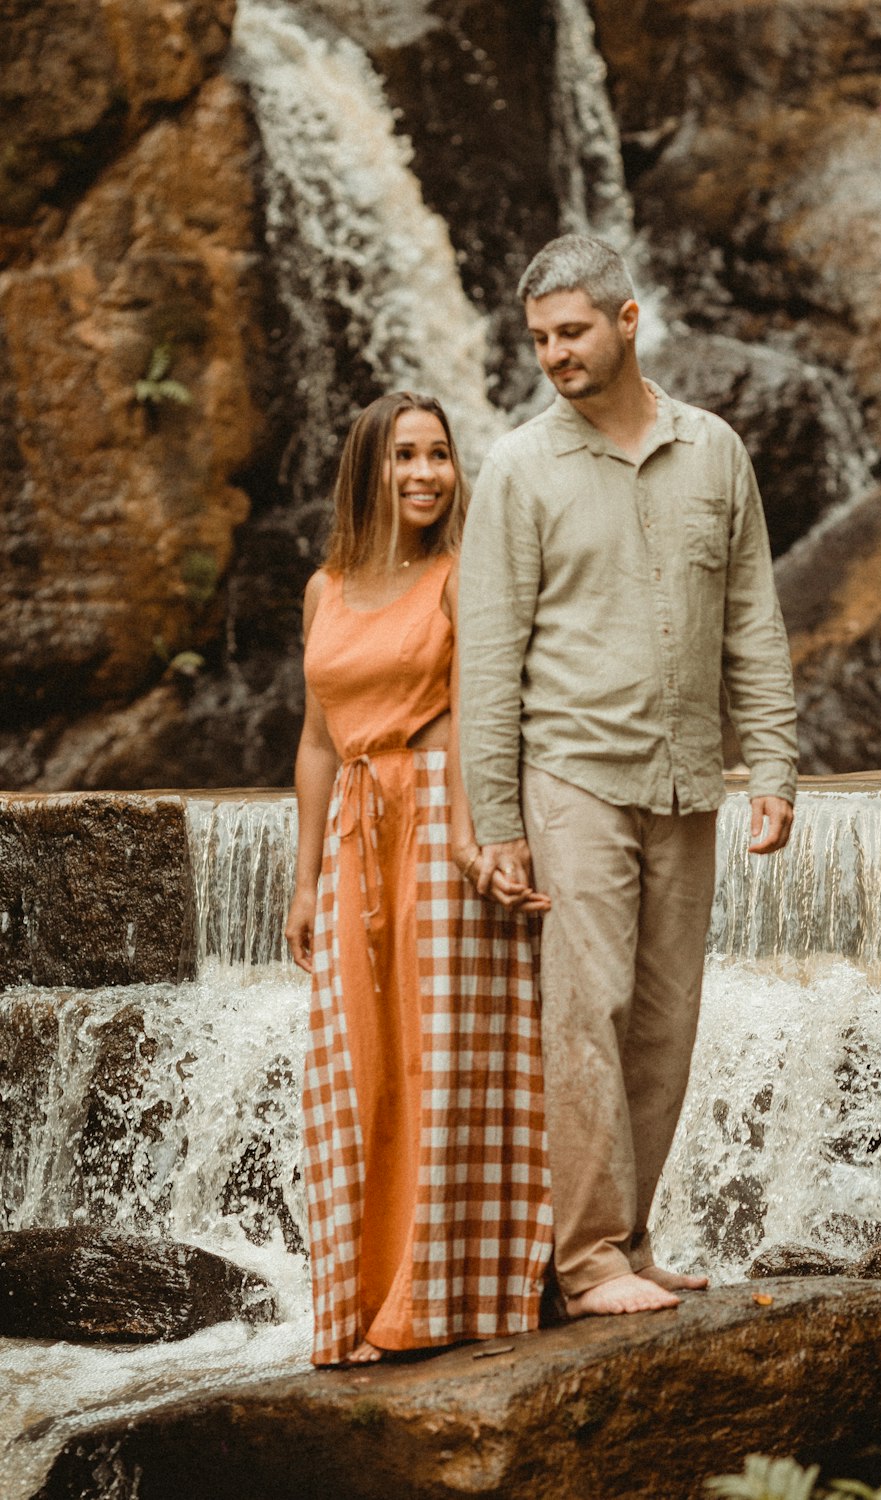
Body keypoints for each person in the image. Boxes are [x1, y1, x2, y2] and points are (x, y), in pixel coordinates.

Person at [458, 234, 798, 1320]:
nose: (554, 353)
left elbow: (752, 617)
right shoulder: (518, 468)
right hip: (574, 774)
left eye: (571, 331)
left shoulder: (714, 451)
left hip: (687, 776)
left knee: (664, 1016)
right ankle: (588, 1257)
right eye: (540, 339)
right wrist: (496, 820)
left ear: (627, 319)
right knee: (588, 1010)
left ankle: (634, 1236)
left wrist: (775, 764)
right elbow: (487, 654)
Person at [286, 391, 552, 1367]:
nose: (427, 474)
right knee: (360, 1061)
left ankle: (440, 1295)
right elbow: (316, 741)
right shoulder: (325, 588)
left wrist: (486, 840)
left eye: (439, 455)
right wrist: (305, 879)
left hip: (440, 815)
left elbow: (482, 711)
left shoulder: (458, 577)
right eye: (405, 456)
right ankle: (357, 1302)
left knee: (443, 1058)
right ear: (369, 468)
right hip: (358, 827)